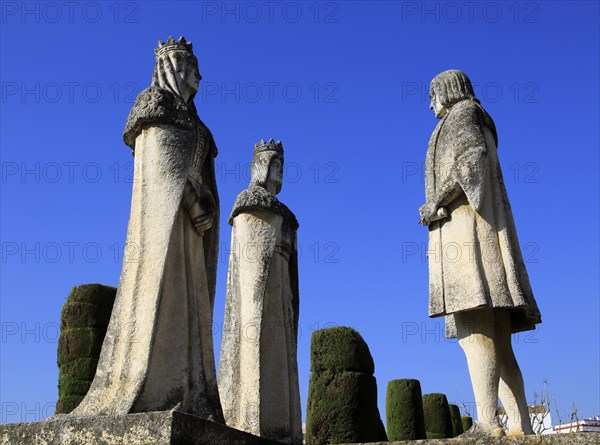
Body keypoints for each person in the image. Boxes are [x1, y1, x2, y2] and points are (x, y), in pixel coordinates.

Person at [71, 36, 224, 422]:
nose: (199, 76)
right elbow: (162, 165)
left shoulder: (198, 124)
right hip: (166, 227)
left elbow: (202, 171)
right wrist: (193, 202)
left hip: (191, 231)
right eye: (192, 68)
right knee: (160, 297)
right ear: (173, 67)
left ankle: (191, 394)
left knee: (190, 308)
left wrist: (206, 205)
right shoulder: (155, 106)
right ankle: (155, 390)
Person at [419, 70, 541, 436]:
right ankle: (520, 425)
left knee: (475, 332)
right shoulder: (478, 117)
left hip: (468, 236)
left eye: (432, 95)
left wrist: (435, 202)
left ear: (447, 91)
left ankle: (488, 423)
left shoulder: (462, 116)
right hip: (483, 231)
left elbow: (469, 163)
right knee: (499, 340)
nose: (430, 104)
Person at [218, 139, 302, 444]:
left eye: (282, 165)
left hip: (281, 292)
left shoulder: (284, 212)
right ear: (261, 166)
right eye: (275, 164)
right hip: (263, 293)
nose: (280, 172)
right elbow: (251, 261)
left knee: (280, 357)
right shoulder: (249, 201)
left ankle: (283, 427)